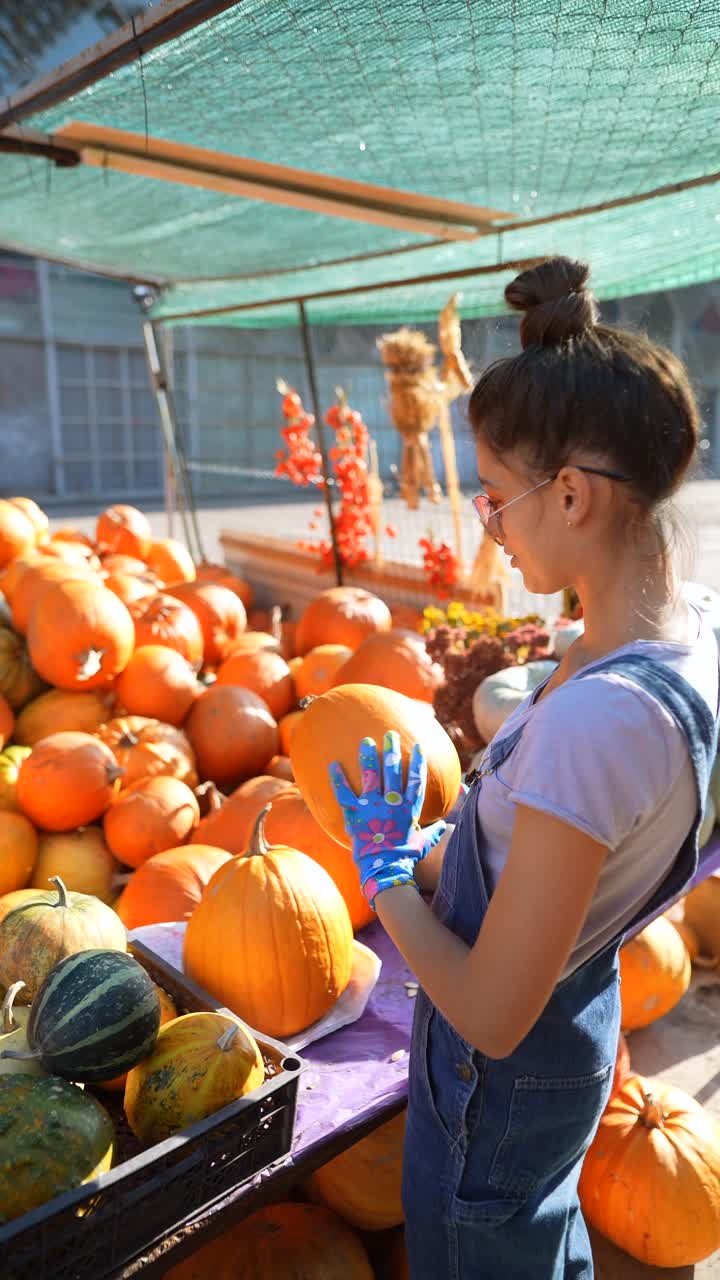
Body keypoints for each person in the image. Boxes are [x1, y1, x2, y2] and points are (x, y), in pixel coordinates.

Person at [329, 257, 720, 1279]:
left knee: (478, 1245)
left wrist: (385, 879)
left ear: (575, 494)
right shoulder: (690, 640)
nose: (488, 527)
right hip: (576, 1026)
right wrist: (446, 853)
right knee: (539, 1235)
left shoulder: (599, 726)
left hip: (494, 1081)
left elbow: (494, 1011)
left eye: (497, 499)